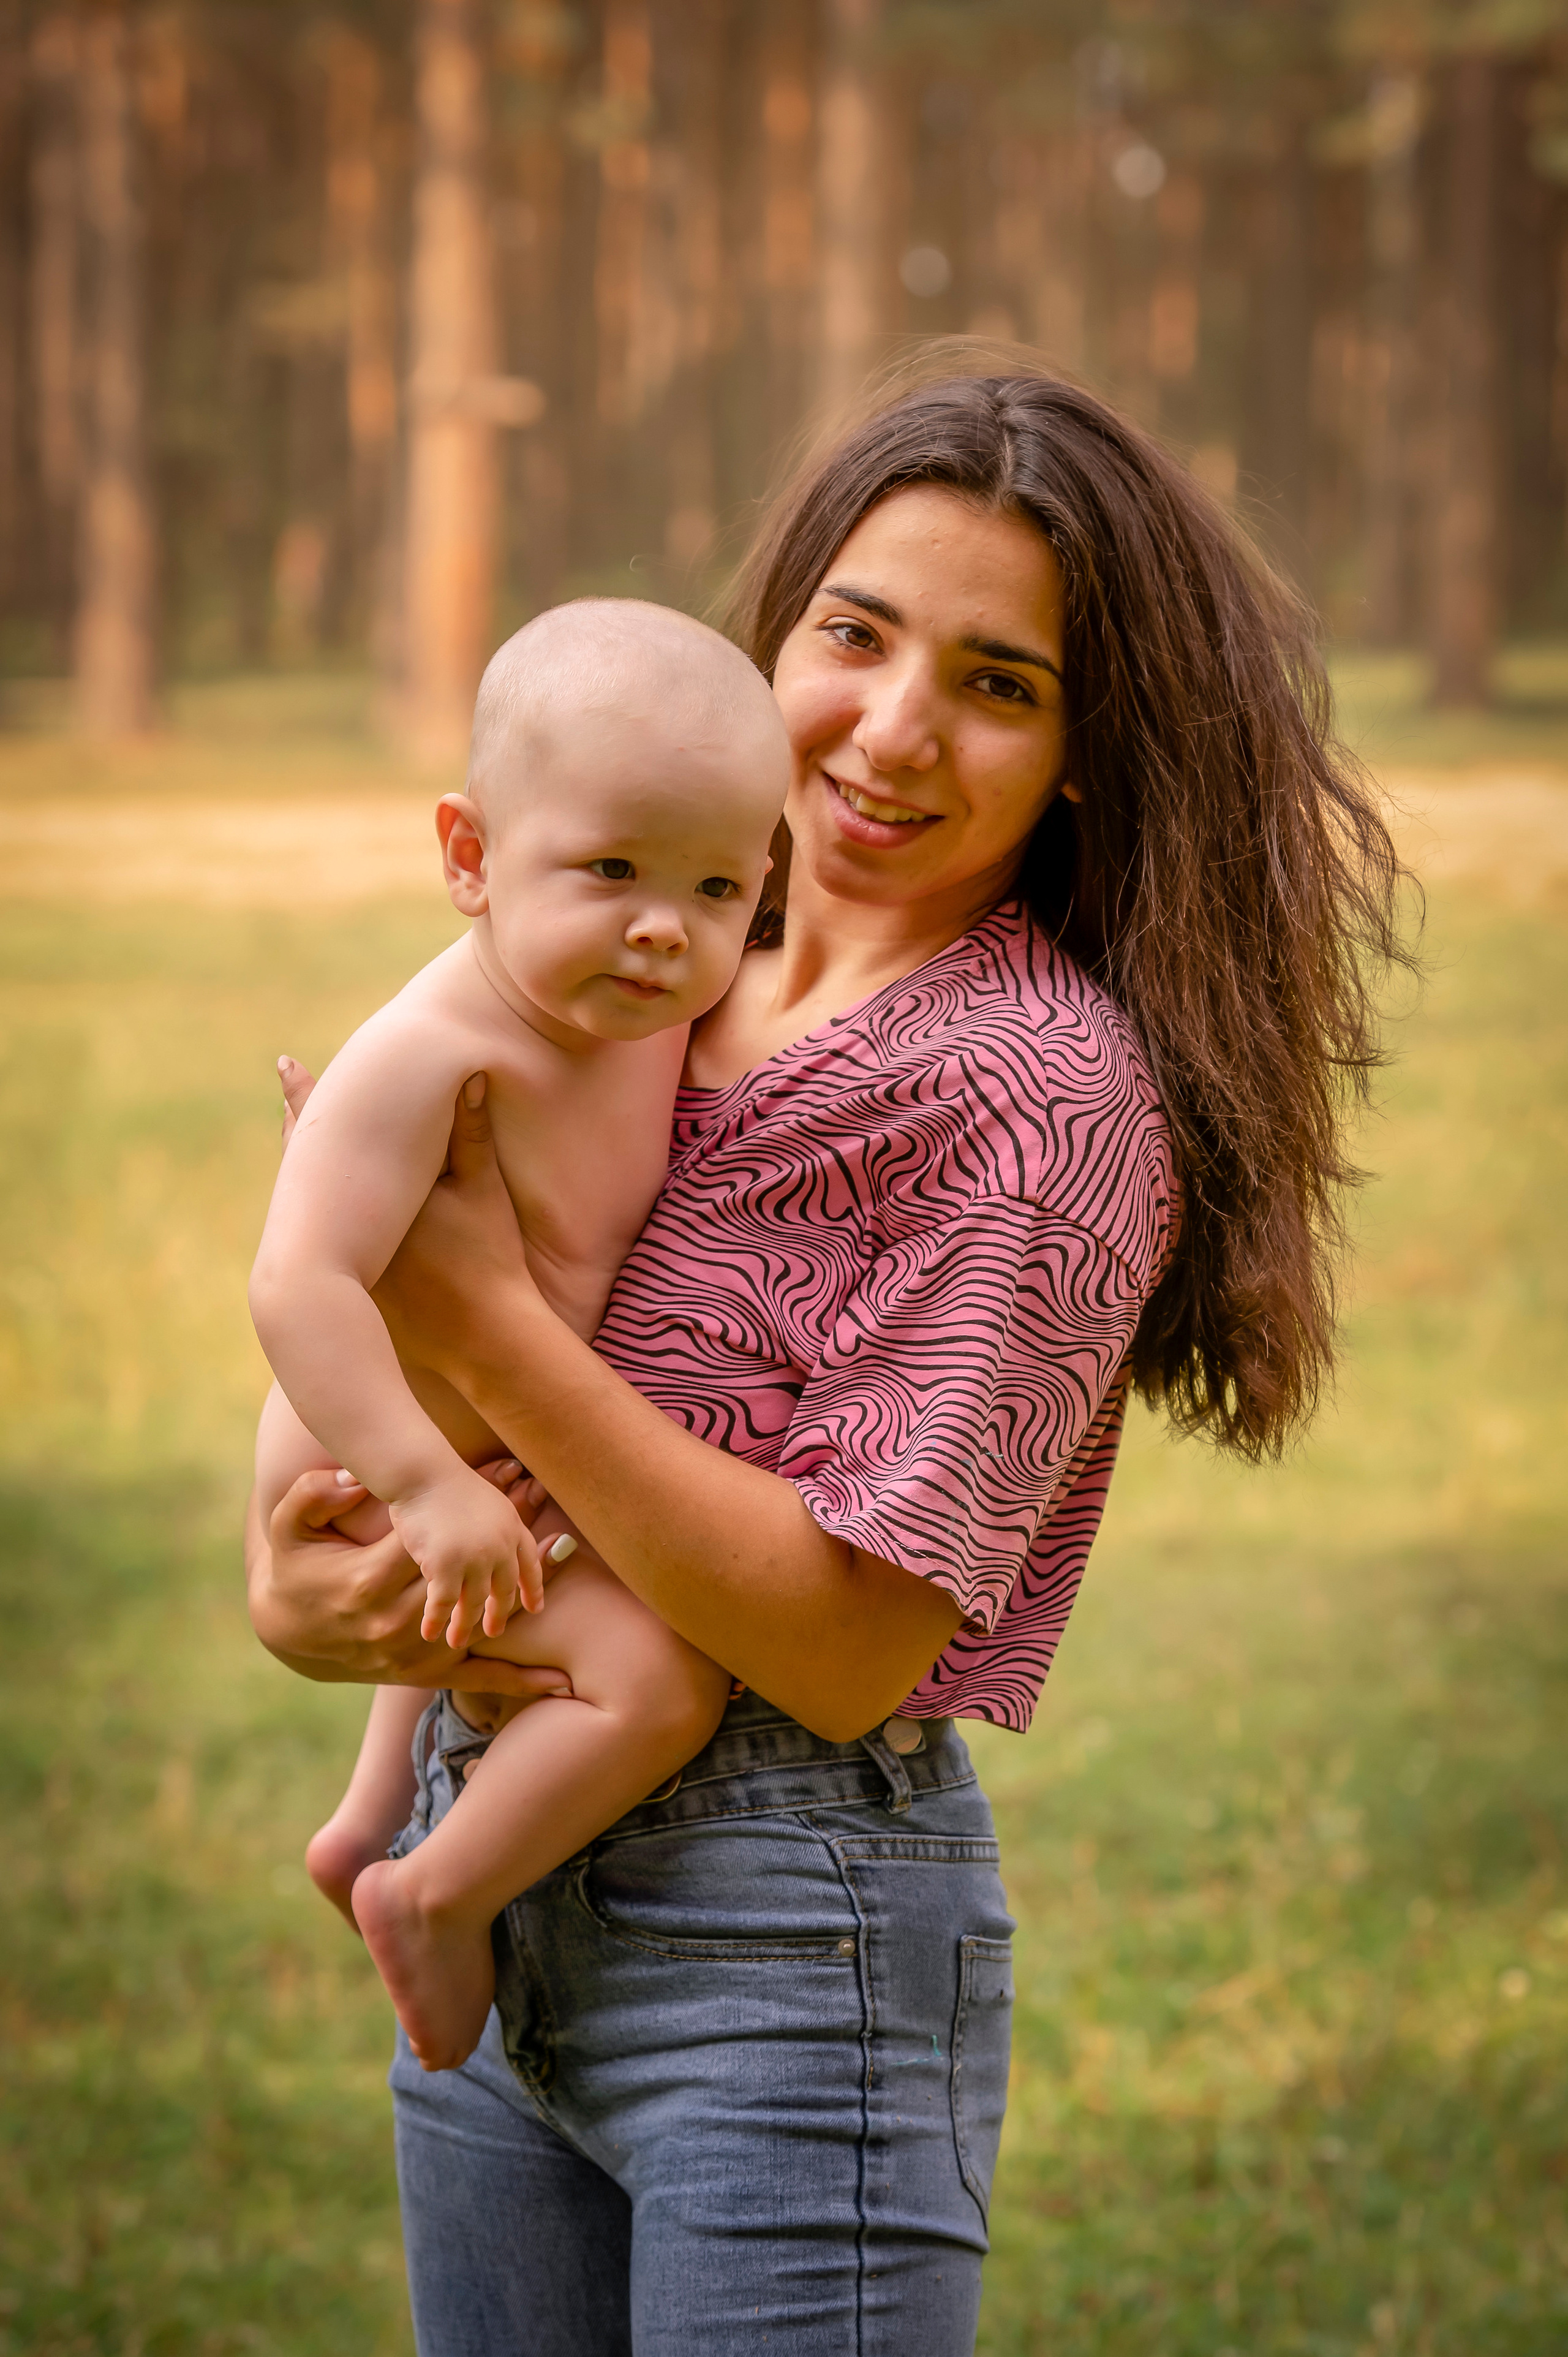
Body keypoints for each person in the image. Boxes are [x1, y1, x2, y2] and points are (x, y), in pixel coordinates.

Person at [246, 366, 1401, 2355]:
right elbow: (359, 1322)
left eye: (1000, 681)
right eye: (852, 635)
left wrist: (485, 1322)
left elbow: (849, 1636)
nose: (891, 724)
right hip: (487, 1869)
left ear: (1081, 756)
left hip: (787, 1951)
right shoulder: (653, 948)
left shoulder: (1044, 1101)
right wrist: (309, 1585)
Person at [249, 599, 789, 2070]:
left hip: (493, 1435)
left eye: (716, 886)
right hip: (370, 1455)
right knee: (657, 1681)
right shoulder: (434, 1052)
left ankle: (366, 1821)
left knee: (491, 1591)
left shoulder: (651, 1007)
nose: (662, 925)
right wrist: (424, 1488)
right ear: (470, 858)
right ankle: (434, 1889)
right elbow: (299, 1282)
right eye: (608, 868)